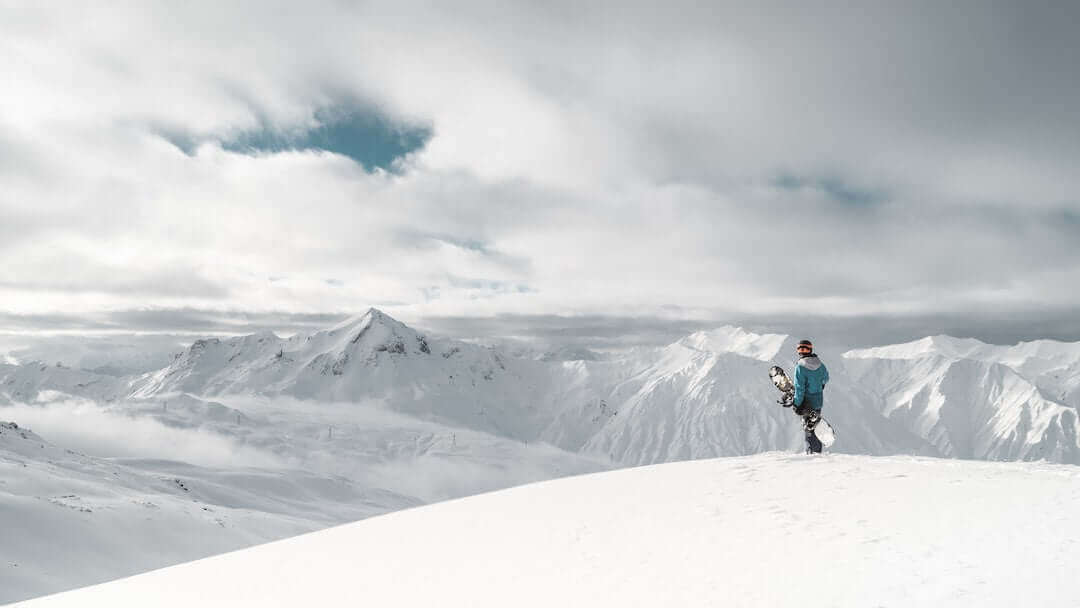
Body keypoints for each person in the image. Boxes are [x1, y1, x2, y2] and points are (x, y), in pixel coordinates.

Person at [793, 339, 829, 453]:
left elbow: (799, 388)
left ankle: (811, 455)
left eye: (803, 348)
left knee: (809, 428)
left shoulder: (800, 367)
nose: (802, 351)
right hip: (818, 401)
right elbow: (826, 378)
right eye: (800, 348)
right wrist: (821, 385)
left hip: (806, 403)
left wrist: (797, 403)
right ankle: (817, 452)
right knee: (816, 426)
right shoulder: (820, 364)